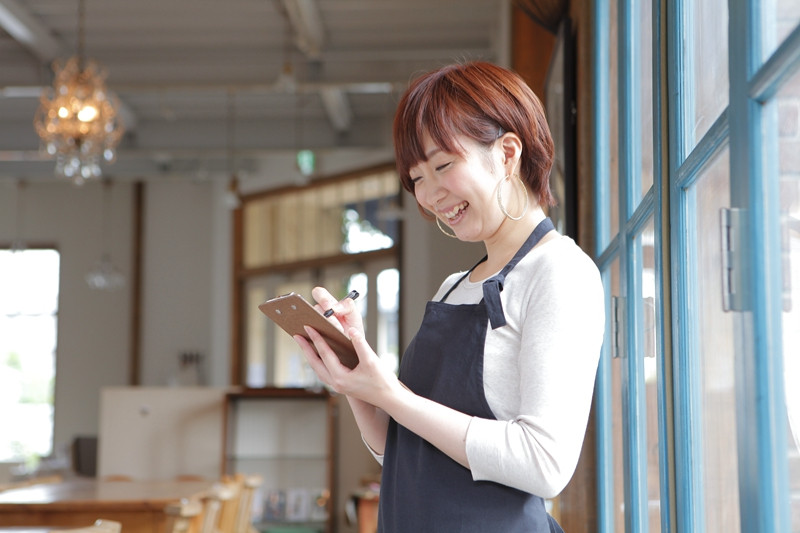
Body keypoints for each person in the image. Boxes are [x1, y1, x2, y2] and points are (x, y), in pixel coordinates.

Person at [293, 61, 604, 533]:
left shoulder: (559, 272)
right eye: (416, 178)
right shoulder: (455, 285)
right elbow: (402, 455)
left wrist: (393, 395)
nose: (430, 194)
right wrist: (357, 383)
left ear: (507, 152)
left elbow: (547, 464)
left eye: (442, 165)